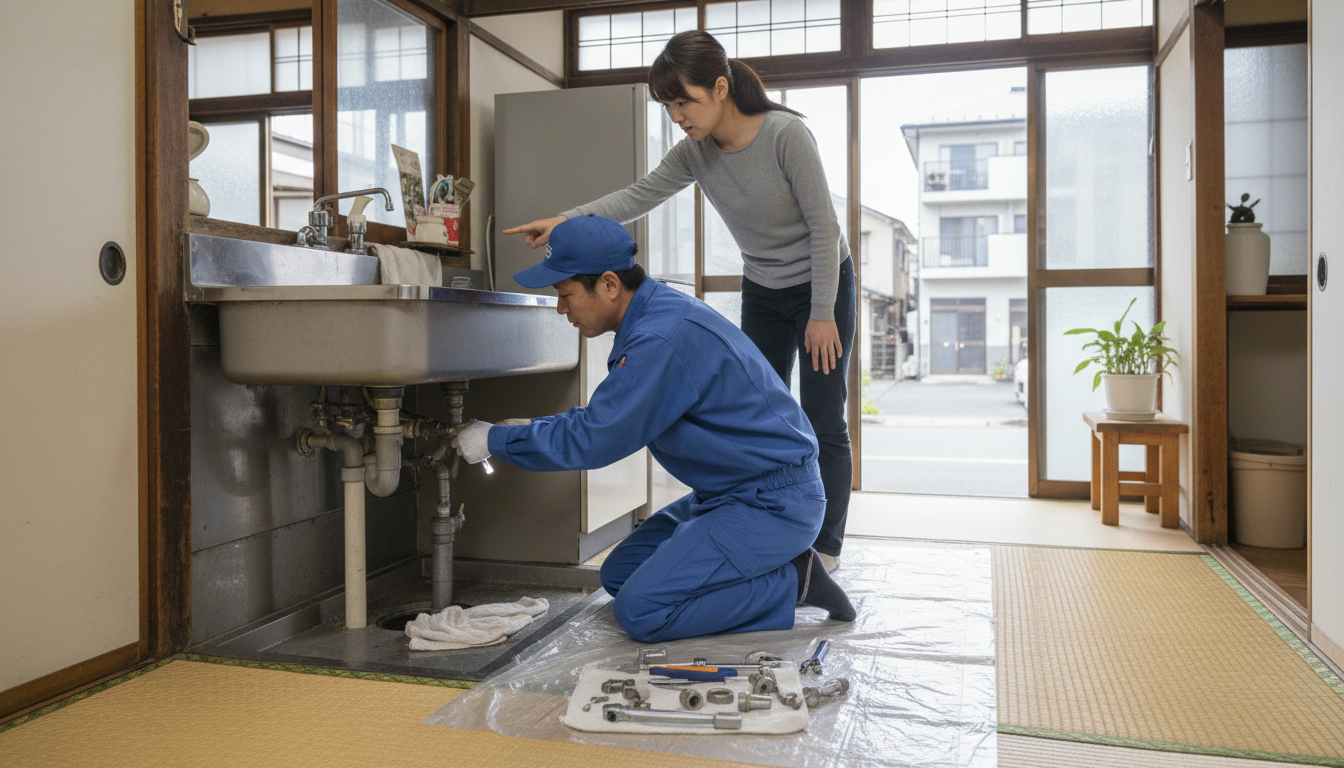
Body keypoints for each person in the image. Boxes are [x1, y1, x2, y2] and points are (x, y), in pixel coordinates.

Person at [504, 30, 855, 573]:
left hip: (822, 282)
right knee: (761, 405)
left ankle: (825, 549)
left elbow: (823, 228)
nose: (677, 116)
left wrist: (823, 313)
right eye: (668, 106)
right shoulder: (694, 152)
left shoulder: (786, 135)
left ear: (720, 88)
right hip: (763, 285)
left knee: (823, 414)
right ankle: (756, 516)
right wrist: (566, 220)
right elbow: (639, 194)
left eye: (683, 101)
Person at [451, 214, 854, 643]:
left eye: (566, 294)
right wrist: (531, 427)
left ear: (608, 285)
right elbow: (605, 415)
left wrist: (495, 440)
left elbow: (597, 437)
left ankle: (794, 582)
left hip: (773, 502)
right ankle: (750, 569)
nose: (561, 308)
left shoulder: (660, 338)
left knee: (641, 611)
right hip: (730, 492)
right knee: (620, 573)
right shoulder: (654, 314)